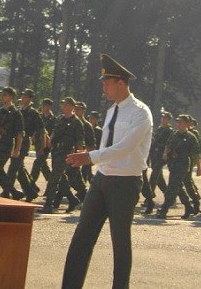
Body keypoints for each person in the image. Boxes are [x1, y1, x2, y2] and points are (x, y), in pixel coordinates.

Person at [61, 54, 152, 289]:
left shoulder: (141, 113)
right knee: (82, 237)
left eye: (107, 83)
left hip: (125, 182)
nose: (104, 88)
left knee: (120, 242)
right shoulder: (112, 111)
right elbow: (107, 147)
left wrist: (89, 157)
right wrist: (92, 157)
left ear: (120, 83)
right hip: (102, 180)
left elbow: (124, 148)